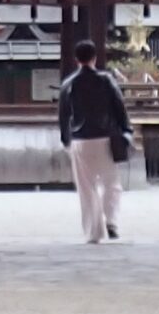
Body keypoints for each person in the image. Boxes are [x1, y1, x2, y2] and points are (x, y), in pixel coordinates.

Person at [56, 37, 132, 243]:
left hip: (80, 140)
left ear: (76, 59)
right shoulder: (106, 80)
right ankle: (111, 221)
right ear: (95, 58)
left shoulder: (68, 84)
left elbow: (63, 116)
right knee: (111, 183)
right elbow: (119, 107)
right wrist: (126, 131)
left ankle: (93, 232)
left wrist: (66, 140)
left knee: (86, 188)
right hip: (105, 138)